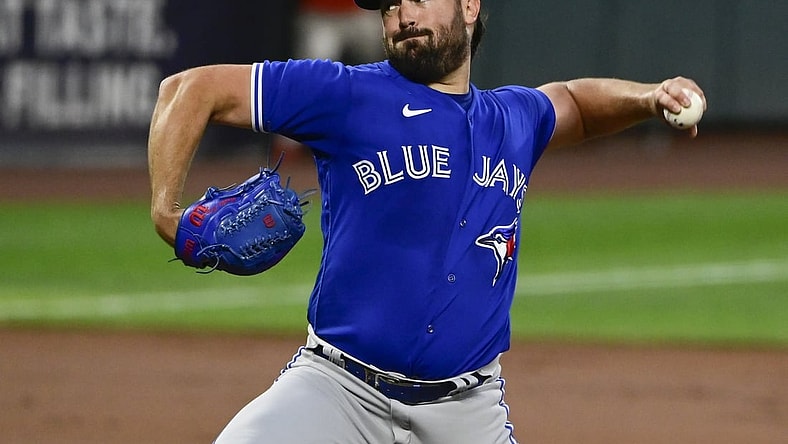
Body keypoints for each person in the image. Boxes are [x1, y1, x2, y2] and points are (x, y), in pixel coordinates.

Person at [147, 1, 707, 442]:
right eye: (390, 7)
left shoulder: (512, 118)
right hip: (338, 391)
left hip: (468, 414)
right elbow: (188, 90)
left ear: (469, 6)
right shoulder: (346, 95)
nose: (402, 16)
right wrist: (166, 211)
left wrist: (649, 97)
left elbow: (575, 105)